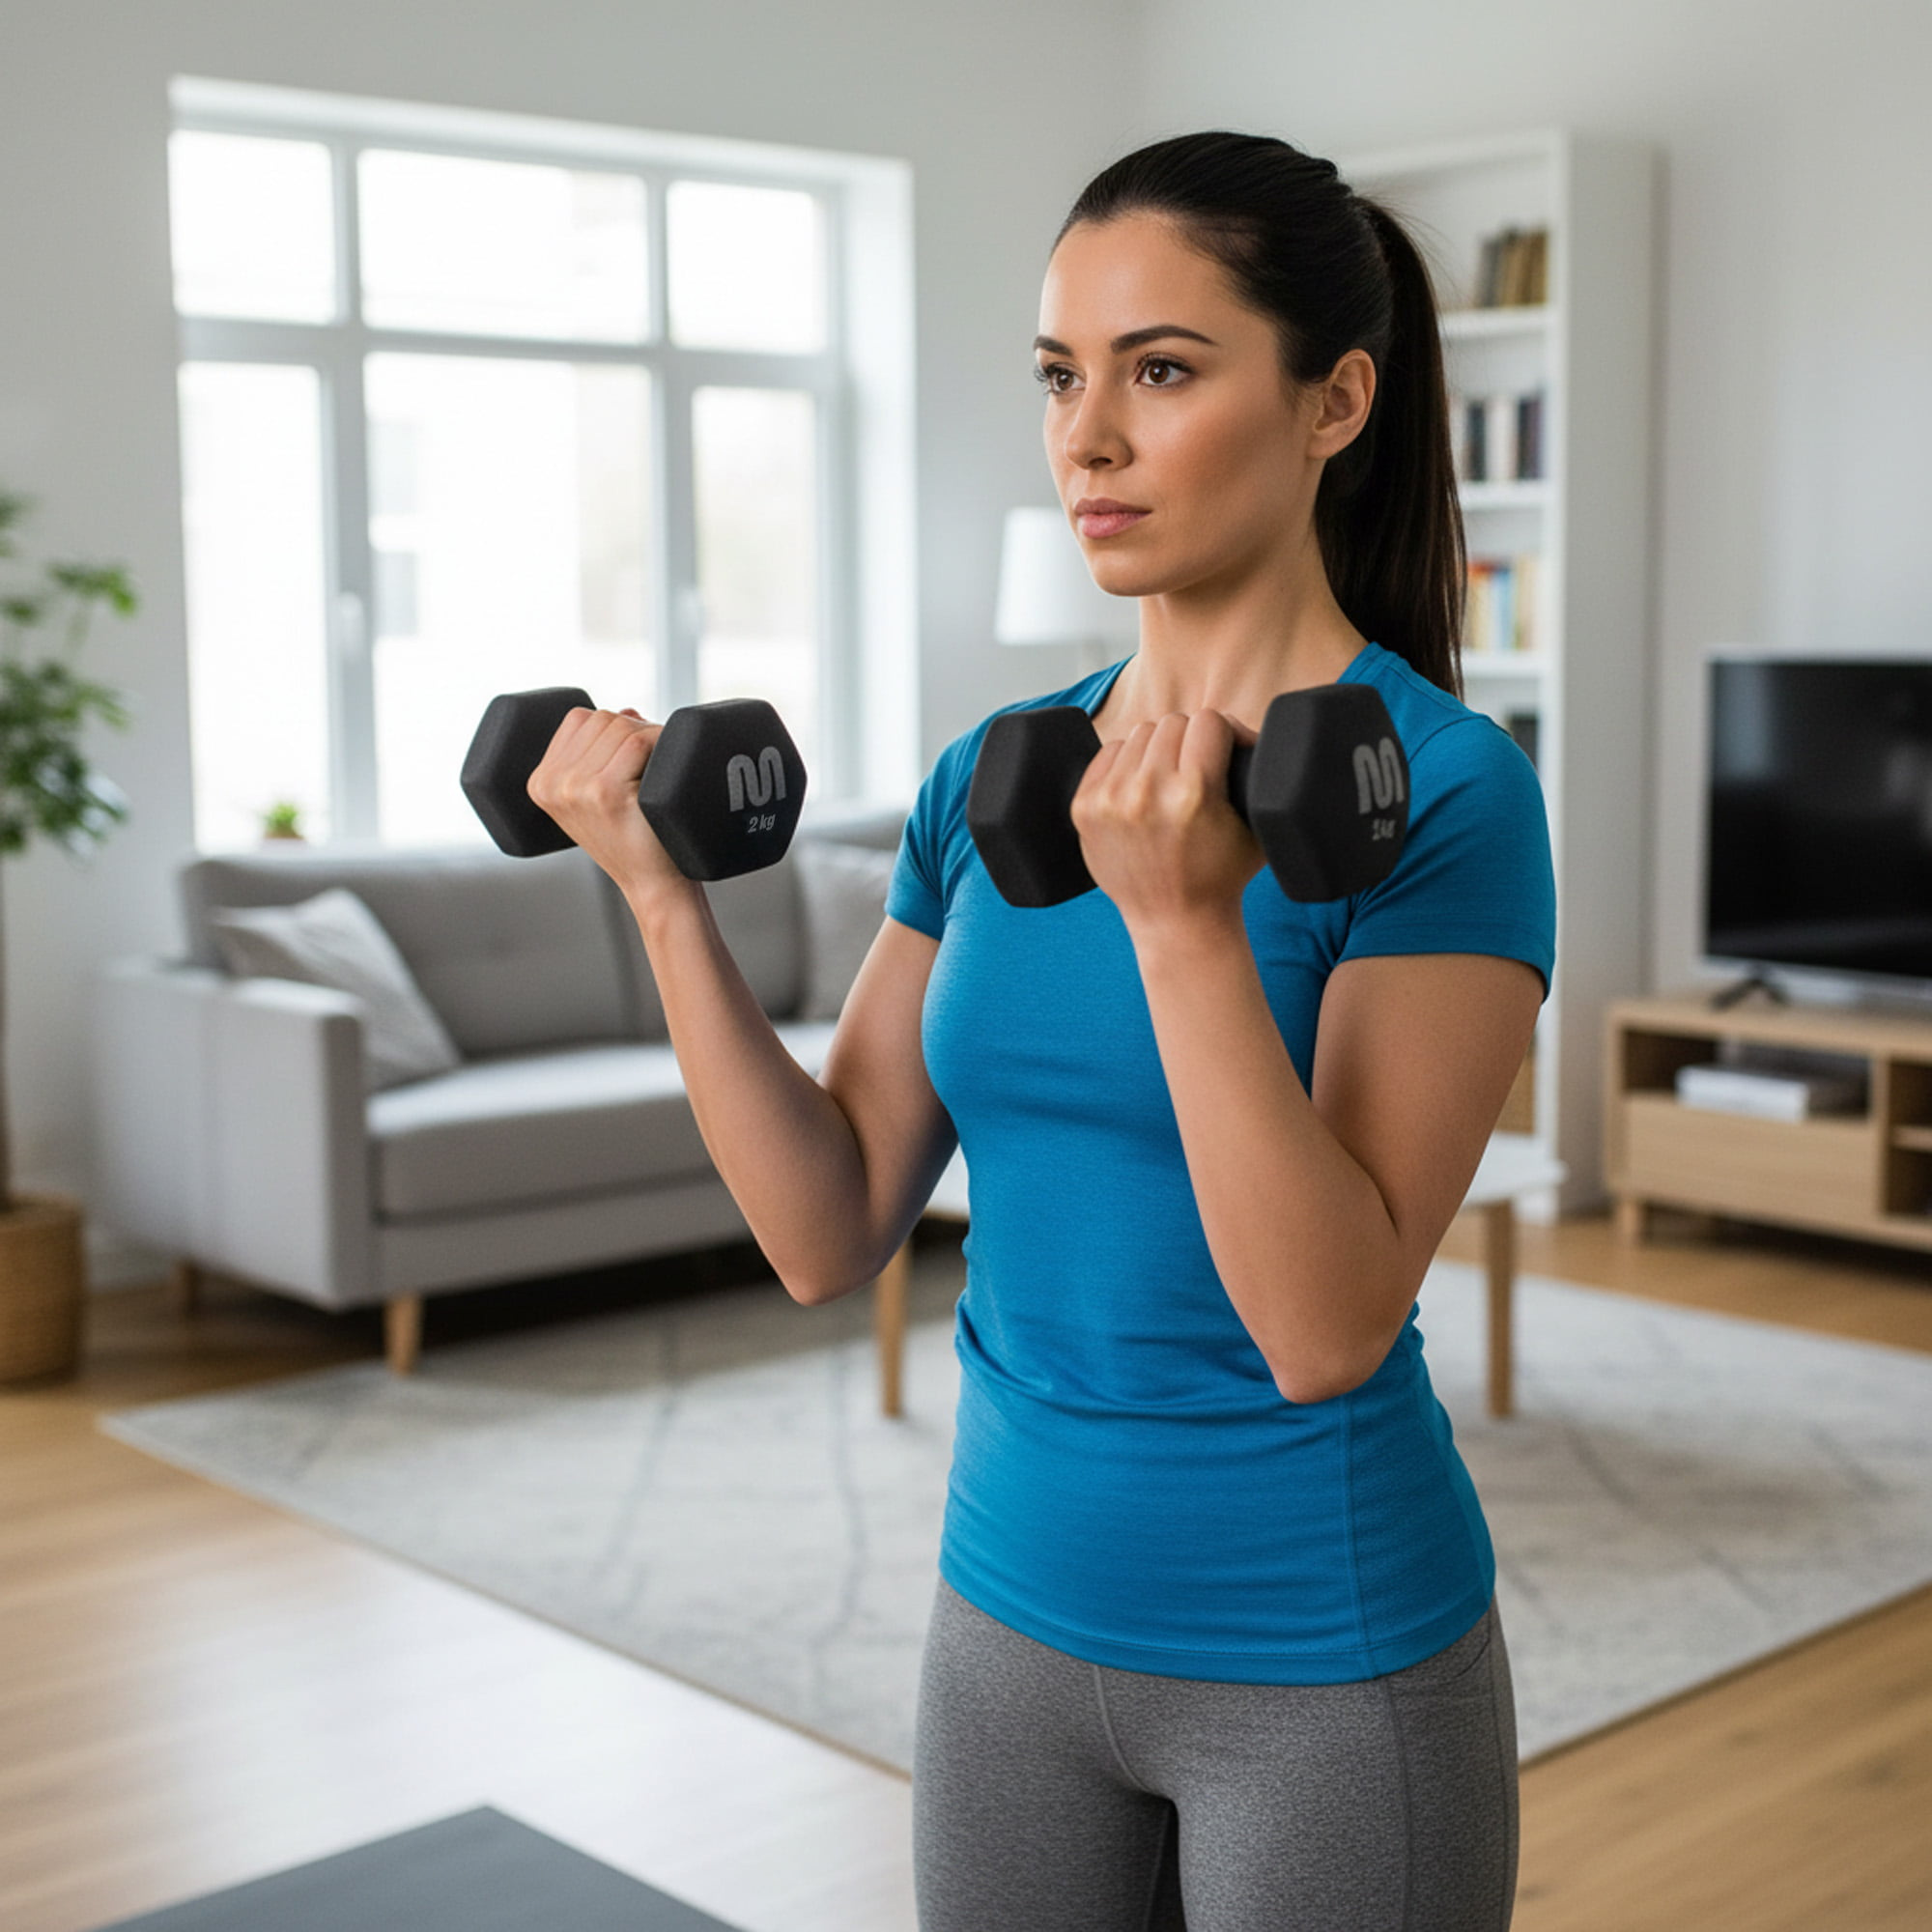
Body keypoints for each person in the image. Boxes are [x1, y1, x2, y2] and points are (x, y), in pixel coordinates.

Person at [530, 129, 1554, 1932]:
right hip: (1002, 1627)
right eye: (1062, 376)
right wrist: (661, 898)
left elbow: (1328, 1324)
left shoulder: (1448, 798)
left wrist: (1183, 926)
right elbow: (825, 1224)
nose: (1088, 436)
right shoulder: (994, 778)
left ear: (1335, 401)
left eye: (1162, 372)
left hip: (1321, 1665)